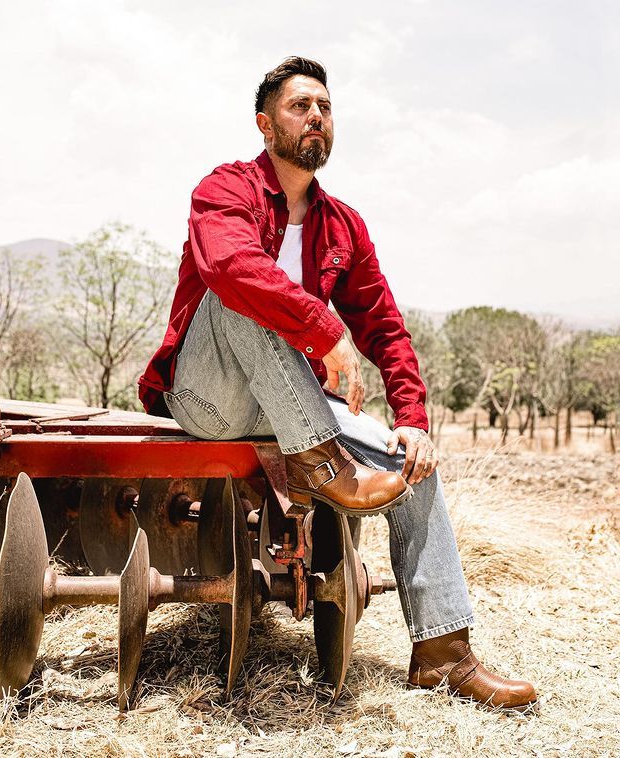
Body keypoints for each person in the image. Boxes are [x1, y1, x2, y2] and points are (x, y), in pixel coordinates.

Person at [139, 57, 537, 712]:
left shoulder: (342, 225)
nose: (316, 116)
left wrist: (411, 415)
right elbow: (229, 266)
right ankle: (324, 465)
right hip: (213, 397)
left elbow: (383, 325)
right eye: (299, 106)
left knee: (414, 464)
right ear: (265, 124)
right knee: (241, 285)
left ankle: (442, 655)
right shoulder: (225, 190)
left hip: (298, 408)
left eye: (325, 106)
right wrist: (323, 328)